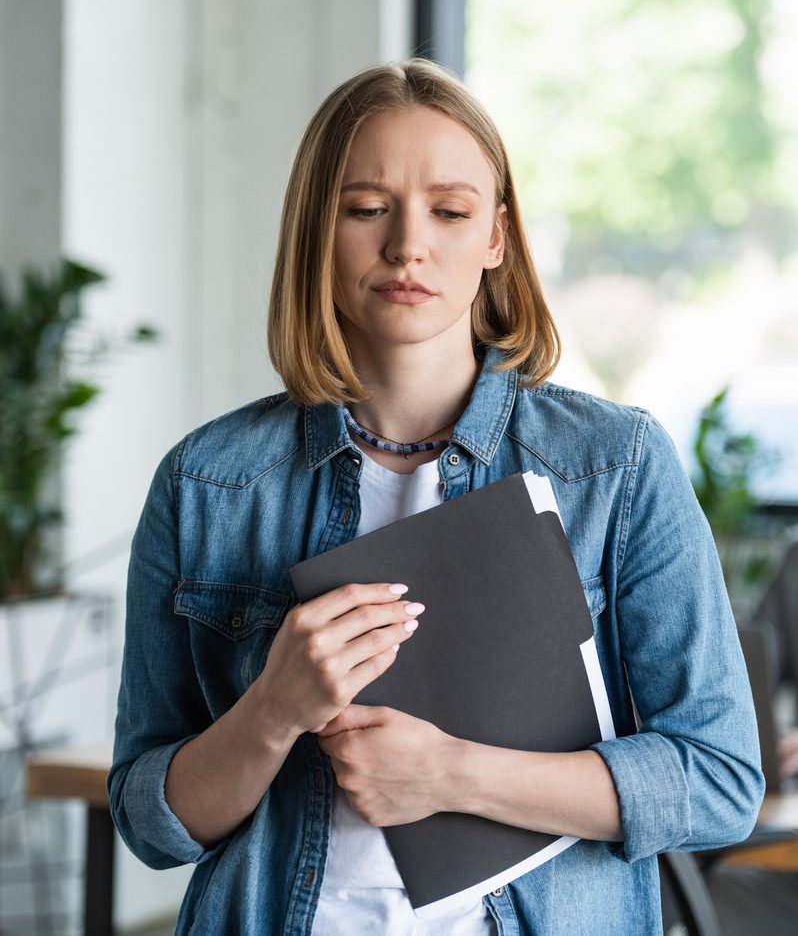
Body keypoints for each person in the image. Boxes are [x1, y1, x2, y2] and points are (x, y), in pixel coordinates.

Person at [108, 58, 764, 935]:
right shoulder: (206, 483)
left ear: (497, 236)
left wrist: (455, 774)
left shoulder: (616, 466)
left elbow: (717, 782)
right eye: (367, 208)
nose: (407, 246)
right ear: (317, 229)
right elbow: (152, 824)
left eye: (449, 211)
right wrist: (271, 711)